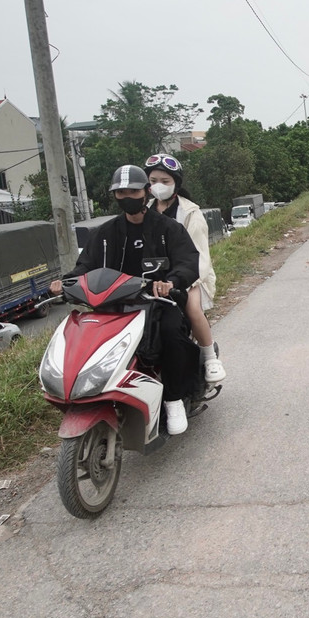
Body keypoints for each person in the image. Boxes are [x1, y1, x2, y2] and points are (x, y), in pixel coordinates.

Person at [49, 165, 202, 434]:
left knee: (171, 332)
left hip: (157, 304)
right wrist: (66, 282)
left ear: (146, 192)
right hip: (113, 306)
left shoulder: (169, 229)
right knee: (86, 335)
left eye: (133, 191)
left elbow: (188, 262)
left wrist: (171, 282)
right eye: (121, 193)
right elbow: (85, 266)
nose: (127, 197)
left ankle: (174, 399)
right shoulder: (104, 233)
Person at [145, 153, 226, 384]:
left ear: (176, 184)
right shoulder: (145, 211)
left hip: (189, 276)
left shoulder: (191, 214)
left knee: (191, 308)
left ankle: (210, 357)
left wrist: (180, 280)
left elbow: (199, 257)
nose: (158, 186)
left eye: (165, 181)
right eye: (153, 181)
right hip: (153, 279)